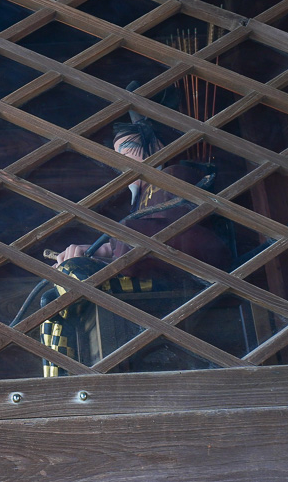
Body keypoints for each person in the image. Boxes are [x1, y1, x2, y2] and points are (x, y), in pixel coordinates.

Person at [39, 118, 232, 376]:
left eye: (128, 149)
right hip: (144, 278)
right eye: (116, 155)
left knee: (72, 273)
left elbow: (176, 234)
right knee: (50, 300)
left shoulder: (173, 176)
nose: (120, 161)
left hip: (172, 281)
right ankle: (60, 379)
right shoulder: (141, 198)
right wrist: (98, 255)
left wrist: (105, 250)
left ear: (158, 146)